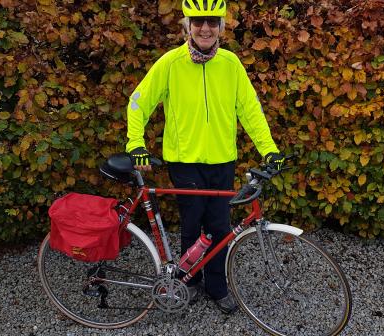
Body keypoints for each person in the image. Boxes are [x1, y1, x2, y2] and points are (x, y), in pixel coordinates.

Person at [125, 0, 284, 314]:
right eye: (198, 21)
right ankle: (189, 281)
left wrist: (269, 149)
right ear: (187, 25)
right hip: (184, 161)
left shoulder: (230, 63)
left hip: (222, 160)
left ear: (222, 26)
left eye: (212, 21)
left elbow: (250, 110)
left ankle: (217, 286)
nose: (205, 28)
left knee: (220, 226)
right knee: (192, 224)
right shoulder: (170, 63)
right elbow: (138, 102)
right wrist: (135, 143)